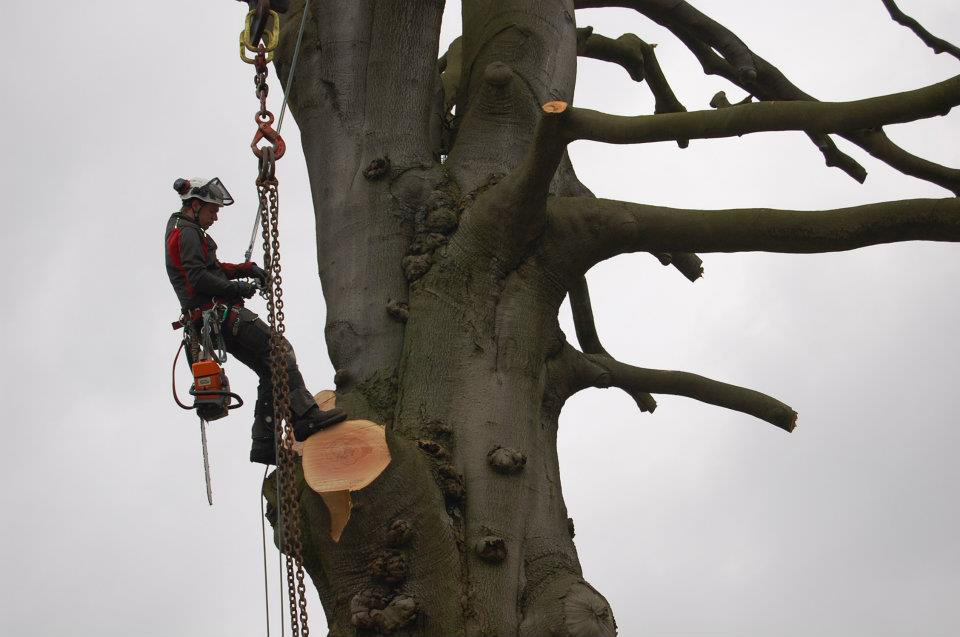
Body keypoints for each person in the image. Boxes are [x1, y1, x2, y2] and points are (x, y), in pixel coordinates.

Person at [165, 177, 346, 465]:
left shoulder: (185, 230)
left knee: (267, 368)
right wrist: (237, 288)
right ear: (196, 205)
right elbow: (198, 278)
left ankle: (264, 444)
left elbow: (212, 268)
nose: (216, 215)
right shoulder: (185, 232)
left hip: (209, 320)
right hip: (217, 314)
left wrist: (245, 270)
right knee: (279, 350)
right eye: (212, 209)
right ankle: (306, 417)